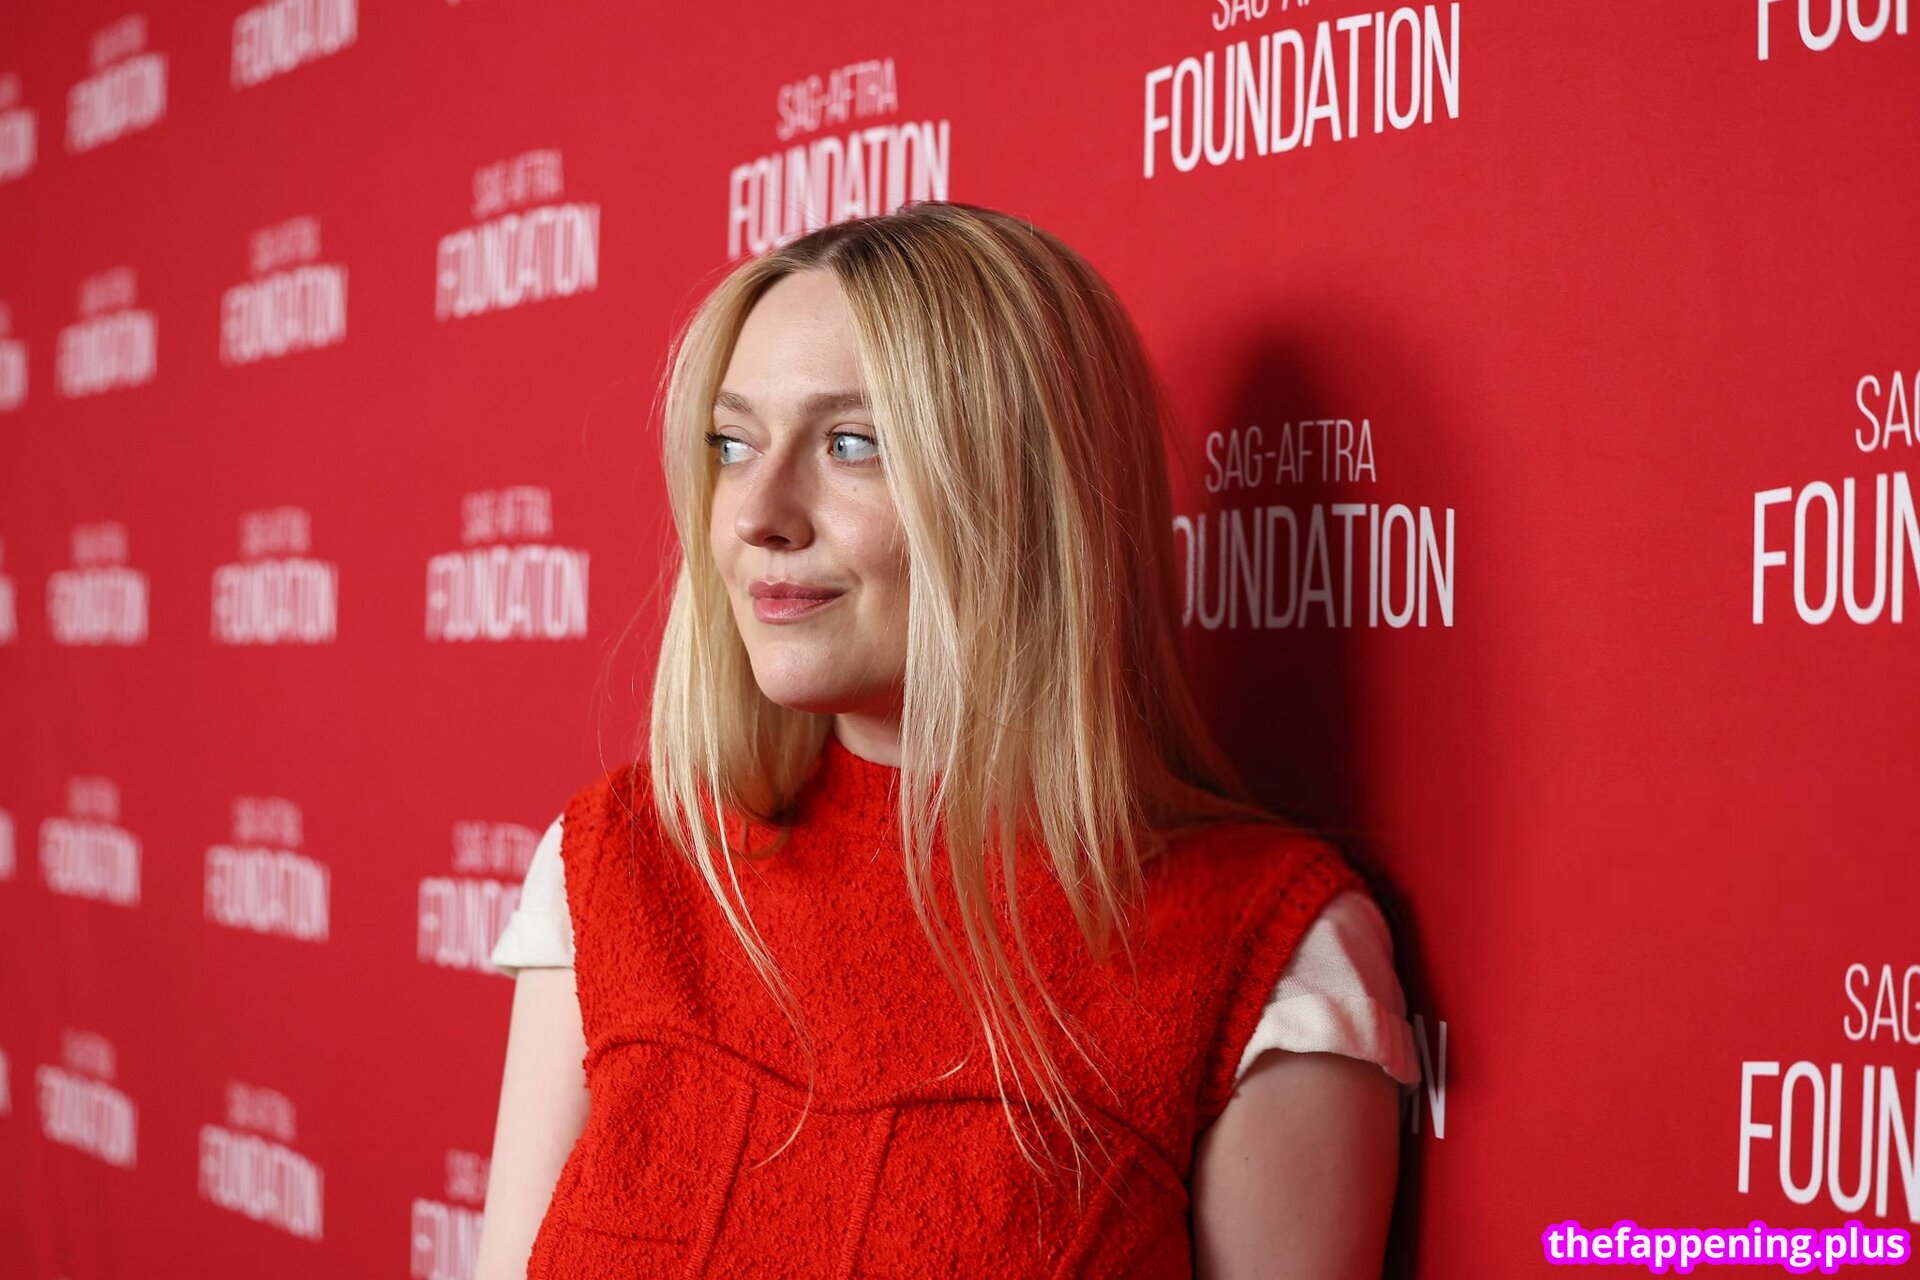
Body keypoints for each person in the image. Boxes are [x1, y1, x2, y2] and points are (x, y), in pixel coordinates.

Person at [473, 201, 1419, 1278]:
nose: (755, 513)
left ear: (1028, 493)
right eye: (732, 444)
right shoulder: (617, 865)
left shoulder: (1268, 955)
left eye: (852, 444)